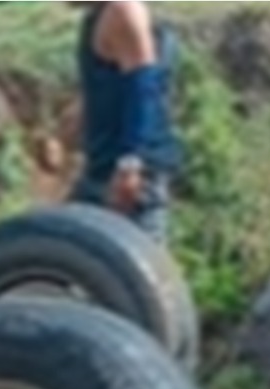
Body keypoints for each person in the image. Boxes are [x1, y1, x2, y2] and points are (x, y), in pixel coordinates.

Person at [69, 1, 182, 245]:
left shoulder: (123, 11)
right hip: (102, 171)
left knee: (134, 274)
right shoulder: (100, 17)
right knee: (68, 263)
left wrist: (131, 164)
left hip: (126, 177)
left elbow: (143, 90)